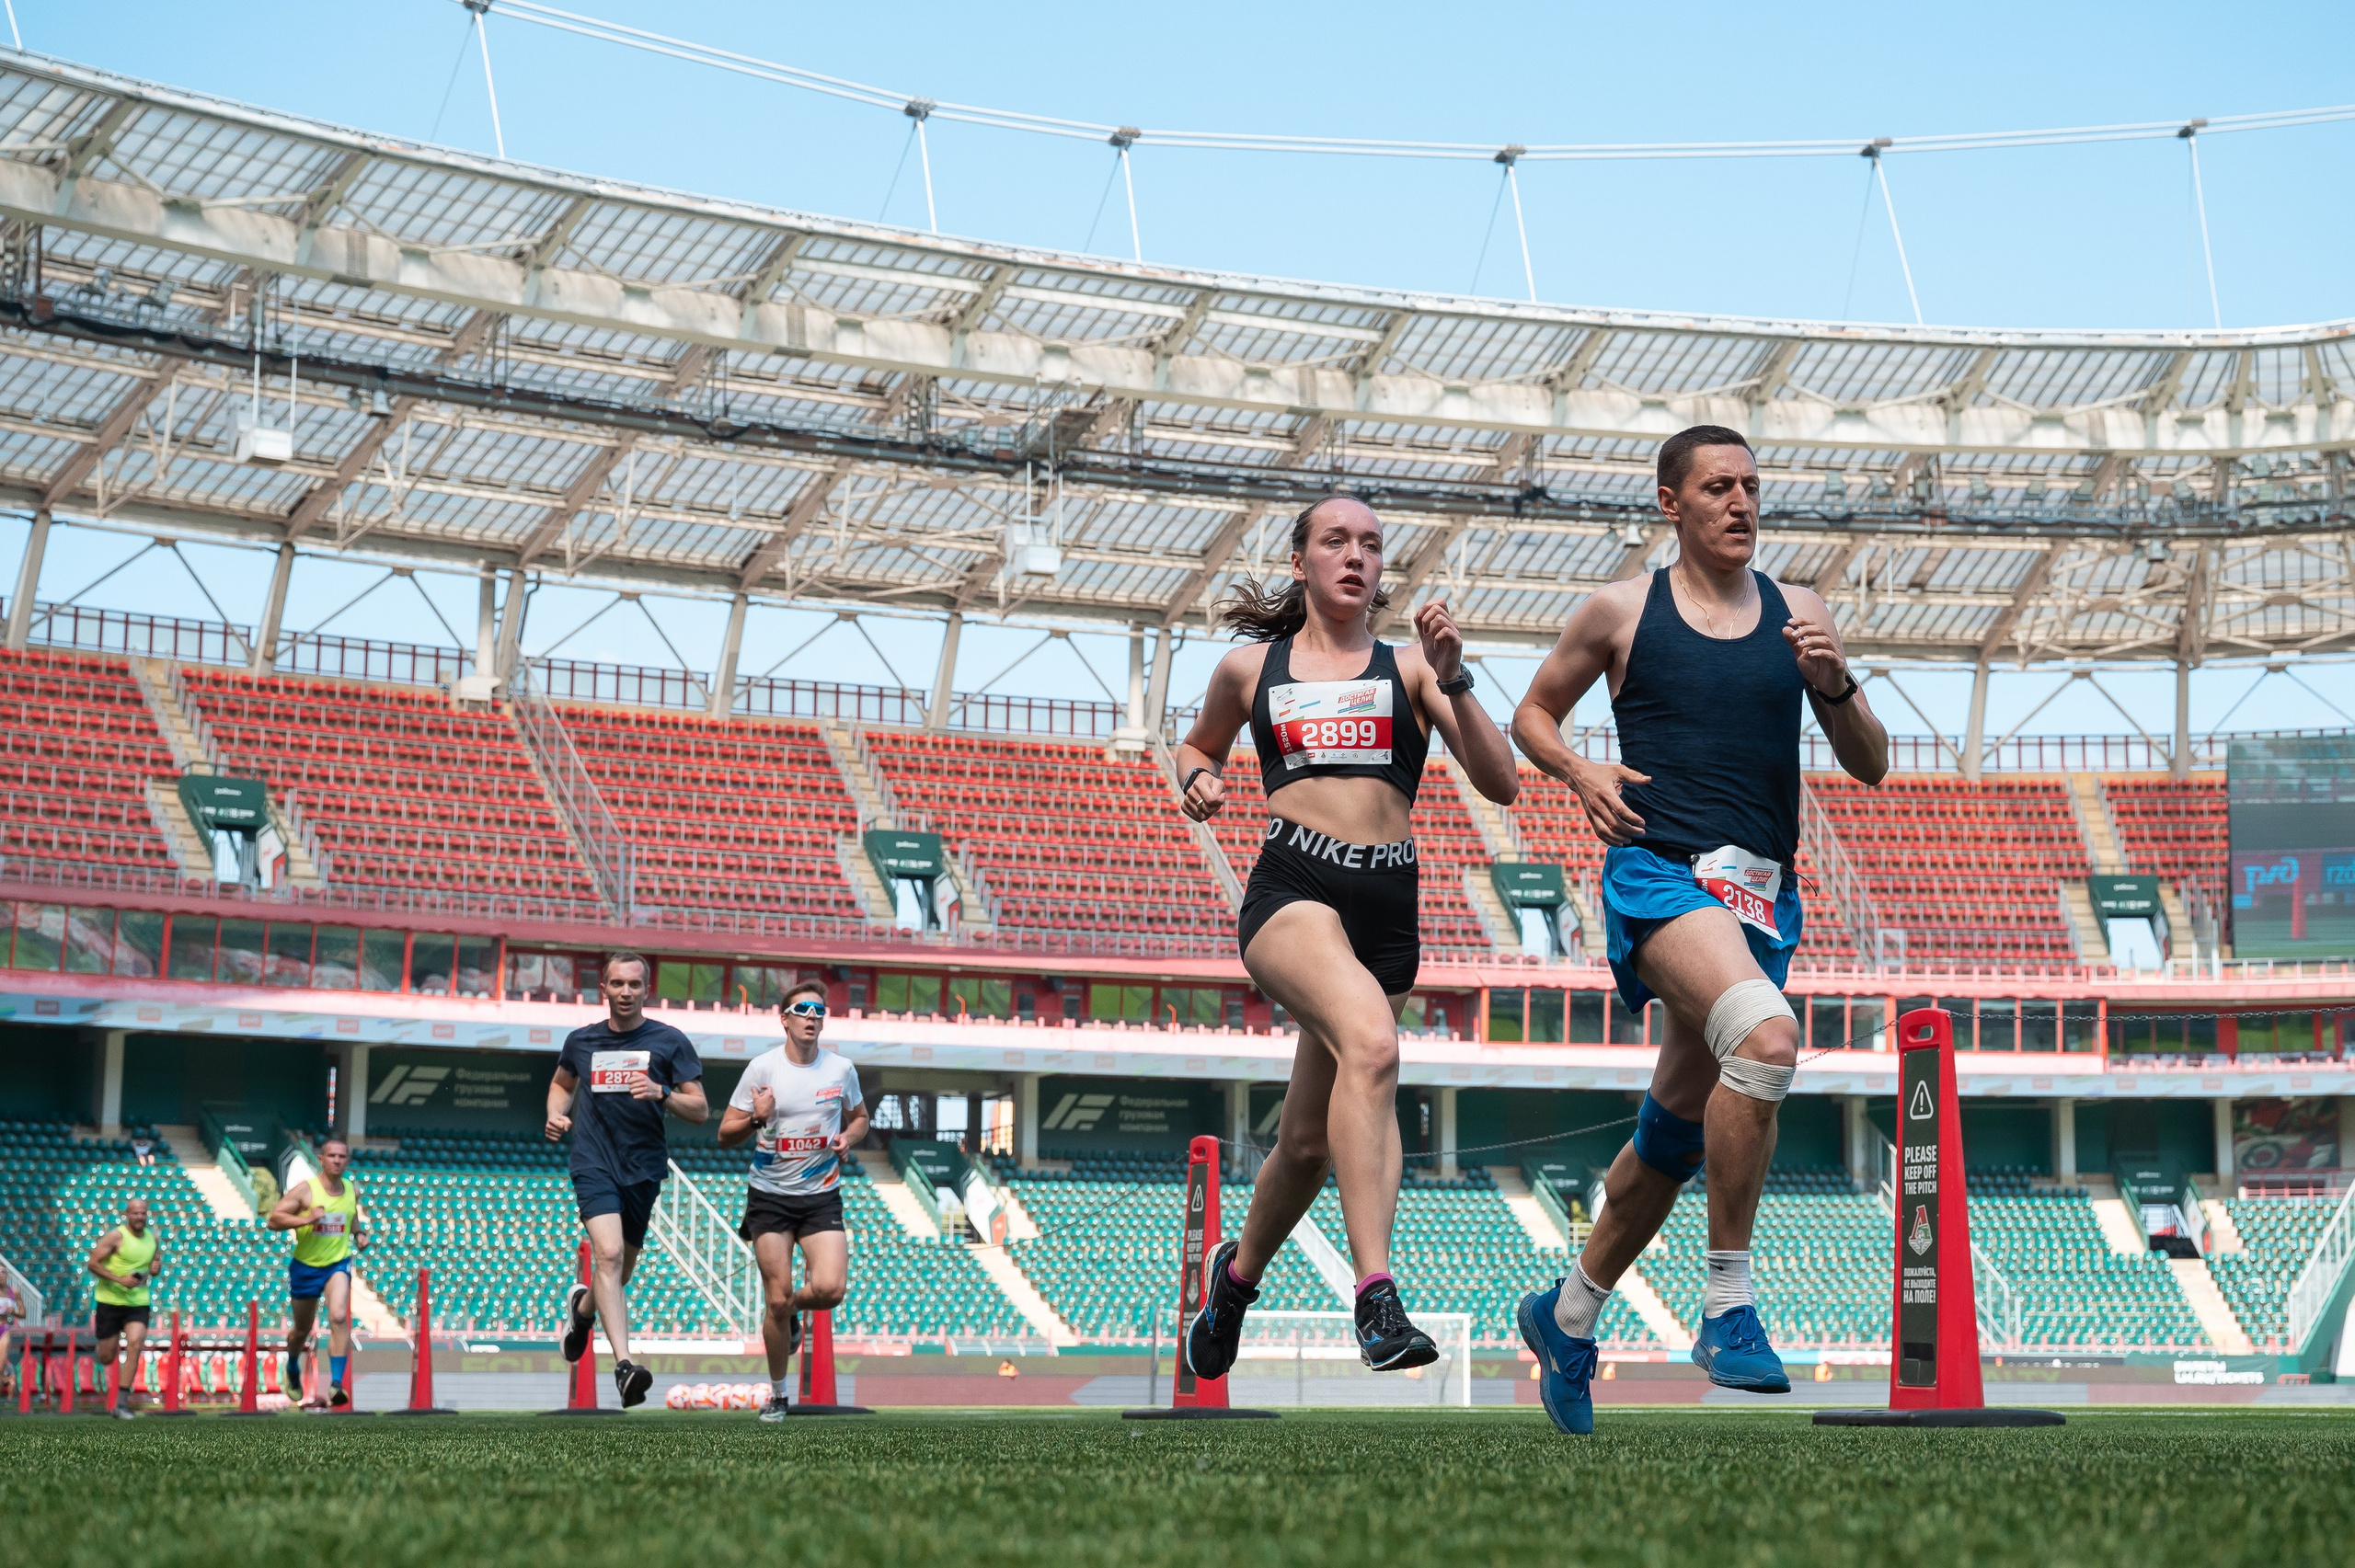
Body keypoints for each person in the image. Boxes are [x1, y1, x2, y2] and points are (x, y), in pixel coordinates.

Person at [1510, 425, 1890, 1436]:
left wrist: (1835, 681)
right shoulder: (1621, 611)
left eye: (1752, 486)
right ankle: (1727, 1306)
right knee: (1766, 1041)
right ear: (1670, 504)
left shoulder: (1799, 613)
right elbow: (1532, 715)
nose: (1740, 502)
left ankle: (1567, 1313)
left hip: (1763, 897)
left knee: (1672, 1136)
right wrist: (1580, 772)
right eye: (1717, 486)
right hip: (1660, 877)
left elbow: (1871, 763)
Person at [1173, 494, 1519, 1376]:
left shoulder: (1412, 669)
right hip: (1293, 884)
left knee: (1305, 1139)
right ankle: (1376, 1298)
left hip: (1388, 908)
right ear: (1302, 562)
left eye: (1371, 543)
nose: (1356, 555)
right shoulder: (1252, 669)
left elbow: (1501, 781)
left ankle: (1234, 1282)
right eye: (1336, 541)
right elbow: (1196, 747)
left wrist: (1457, 674)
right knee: (1372, 1044)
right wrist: (1200, 780)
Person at [546, 950, 708, 1409]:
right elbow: (562, 1083)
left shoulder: (669, 1041)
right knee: (610, 1254)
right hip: (593, 1161)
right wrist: (555, 1115)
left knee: (619, 1274)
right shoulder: (582, 1041)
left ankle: (582, 1313)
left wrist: (663, 1093)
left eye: (634, 985)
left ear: (647, 989)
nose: (626, 992)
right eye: (617, 984)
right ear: (605, 988)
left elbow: (700, 1110)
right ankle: (624, 1367)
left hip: (644, 1168)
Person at [717, 979, 869, 1422]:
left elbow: (859, 1118)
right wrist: (755, 1118)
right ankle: (779, 1395)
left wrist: (848, 1138)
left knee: (830, 1290)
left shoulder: (841, 1069)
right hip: (770, 1197)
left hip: (822, 1195)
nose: (812, 1017)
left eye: (819, 1011)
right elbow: (725, 1133)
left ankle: (790, 1313)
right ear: (783, 1018)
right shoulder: (762, 1069)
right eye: (802, 1009)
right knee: (775, 1298)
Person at [266, 1134, 367, 1410]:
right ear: (321, 1159)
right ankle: (292, 1366)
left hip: (337, 1263)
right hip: (306, 1266)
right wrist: (306, 1218)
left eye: (342, 1156)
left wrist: (359, 1233)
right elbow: (273, 1220)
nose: (337, 1160)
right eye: (331, 1156)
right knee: (302, 1329)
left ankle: (335, 1383)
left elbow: (351, 1213)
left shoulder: (351, 1189)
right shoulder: (305, 1190)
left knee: (337, 1316)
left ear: (347, 1160)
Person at [86, 1197, 163, 1418]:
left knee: (135, 1343)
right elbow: (92, 1264)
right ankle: (101, 1348)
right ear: (127, 1215)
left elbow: (154, 1265)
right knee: (107, 1357)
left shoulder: (153, 1238)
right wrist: (119, 1280)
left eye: (143, 1213)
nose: (140, 1217)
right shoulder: (116, 1237)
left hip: (137, 1302)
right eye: (135, 1213)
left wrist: (156, 1268)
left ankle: (120, 1404)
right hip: (110, 1301)